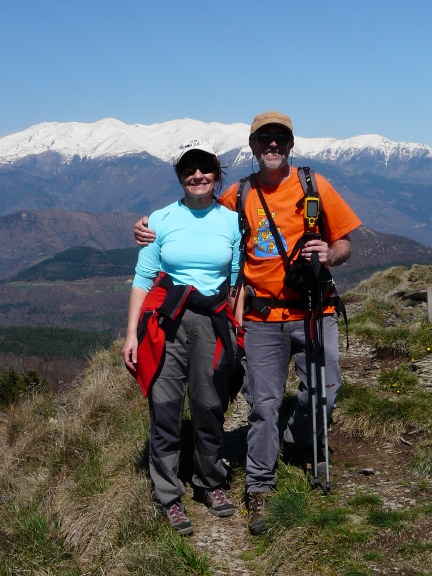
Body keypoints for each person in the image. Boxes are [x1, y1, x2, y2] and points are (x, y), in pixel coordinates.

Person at [134, 111, 362, 535]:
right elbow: (197, 214)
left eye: (279, 138)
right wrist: (148, 226)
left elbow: (345, 239)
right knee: (264, 405)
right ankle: (259, 486)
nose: (272, 145)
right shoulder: (238, 195)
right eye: (264, 139)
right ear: (253, 147)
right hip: (260, 317)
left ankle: (295, 443)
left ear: (290, 145)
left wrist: (331, 254)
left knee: (325, 391)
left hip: (314, 309)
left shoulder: (314, 186)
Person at [122, 140, 241, 536]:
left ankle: (210, 481)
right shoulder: (160, 219)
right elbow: (143, 278)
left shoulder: (231, 221)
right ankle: (168, 494)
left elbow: (238, 280)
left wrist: (237, 329)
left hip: (212, 320)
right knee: (166, 408)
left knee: (209, 404)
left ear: (216, 174)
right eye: (189, 170)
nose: (197, 176)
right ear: (179, 176)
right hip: (167, 320)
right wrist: (131, 336)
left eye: (204, 169)